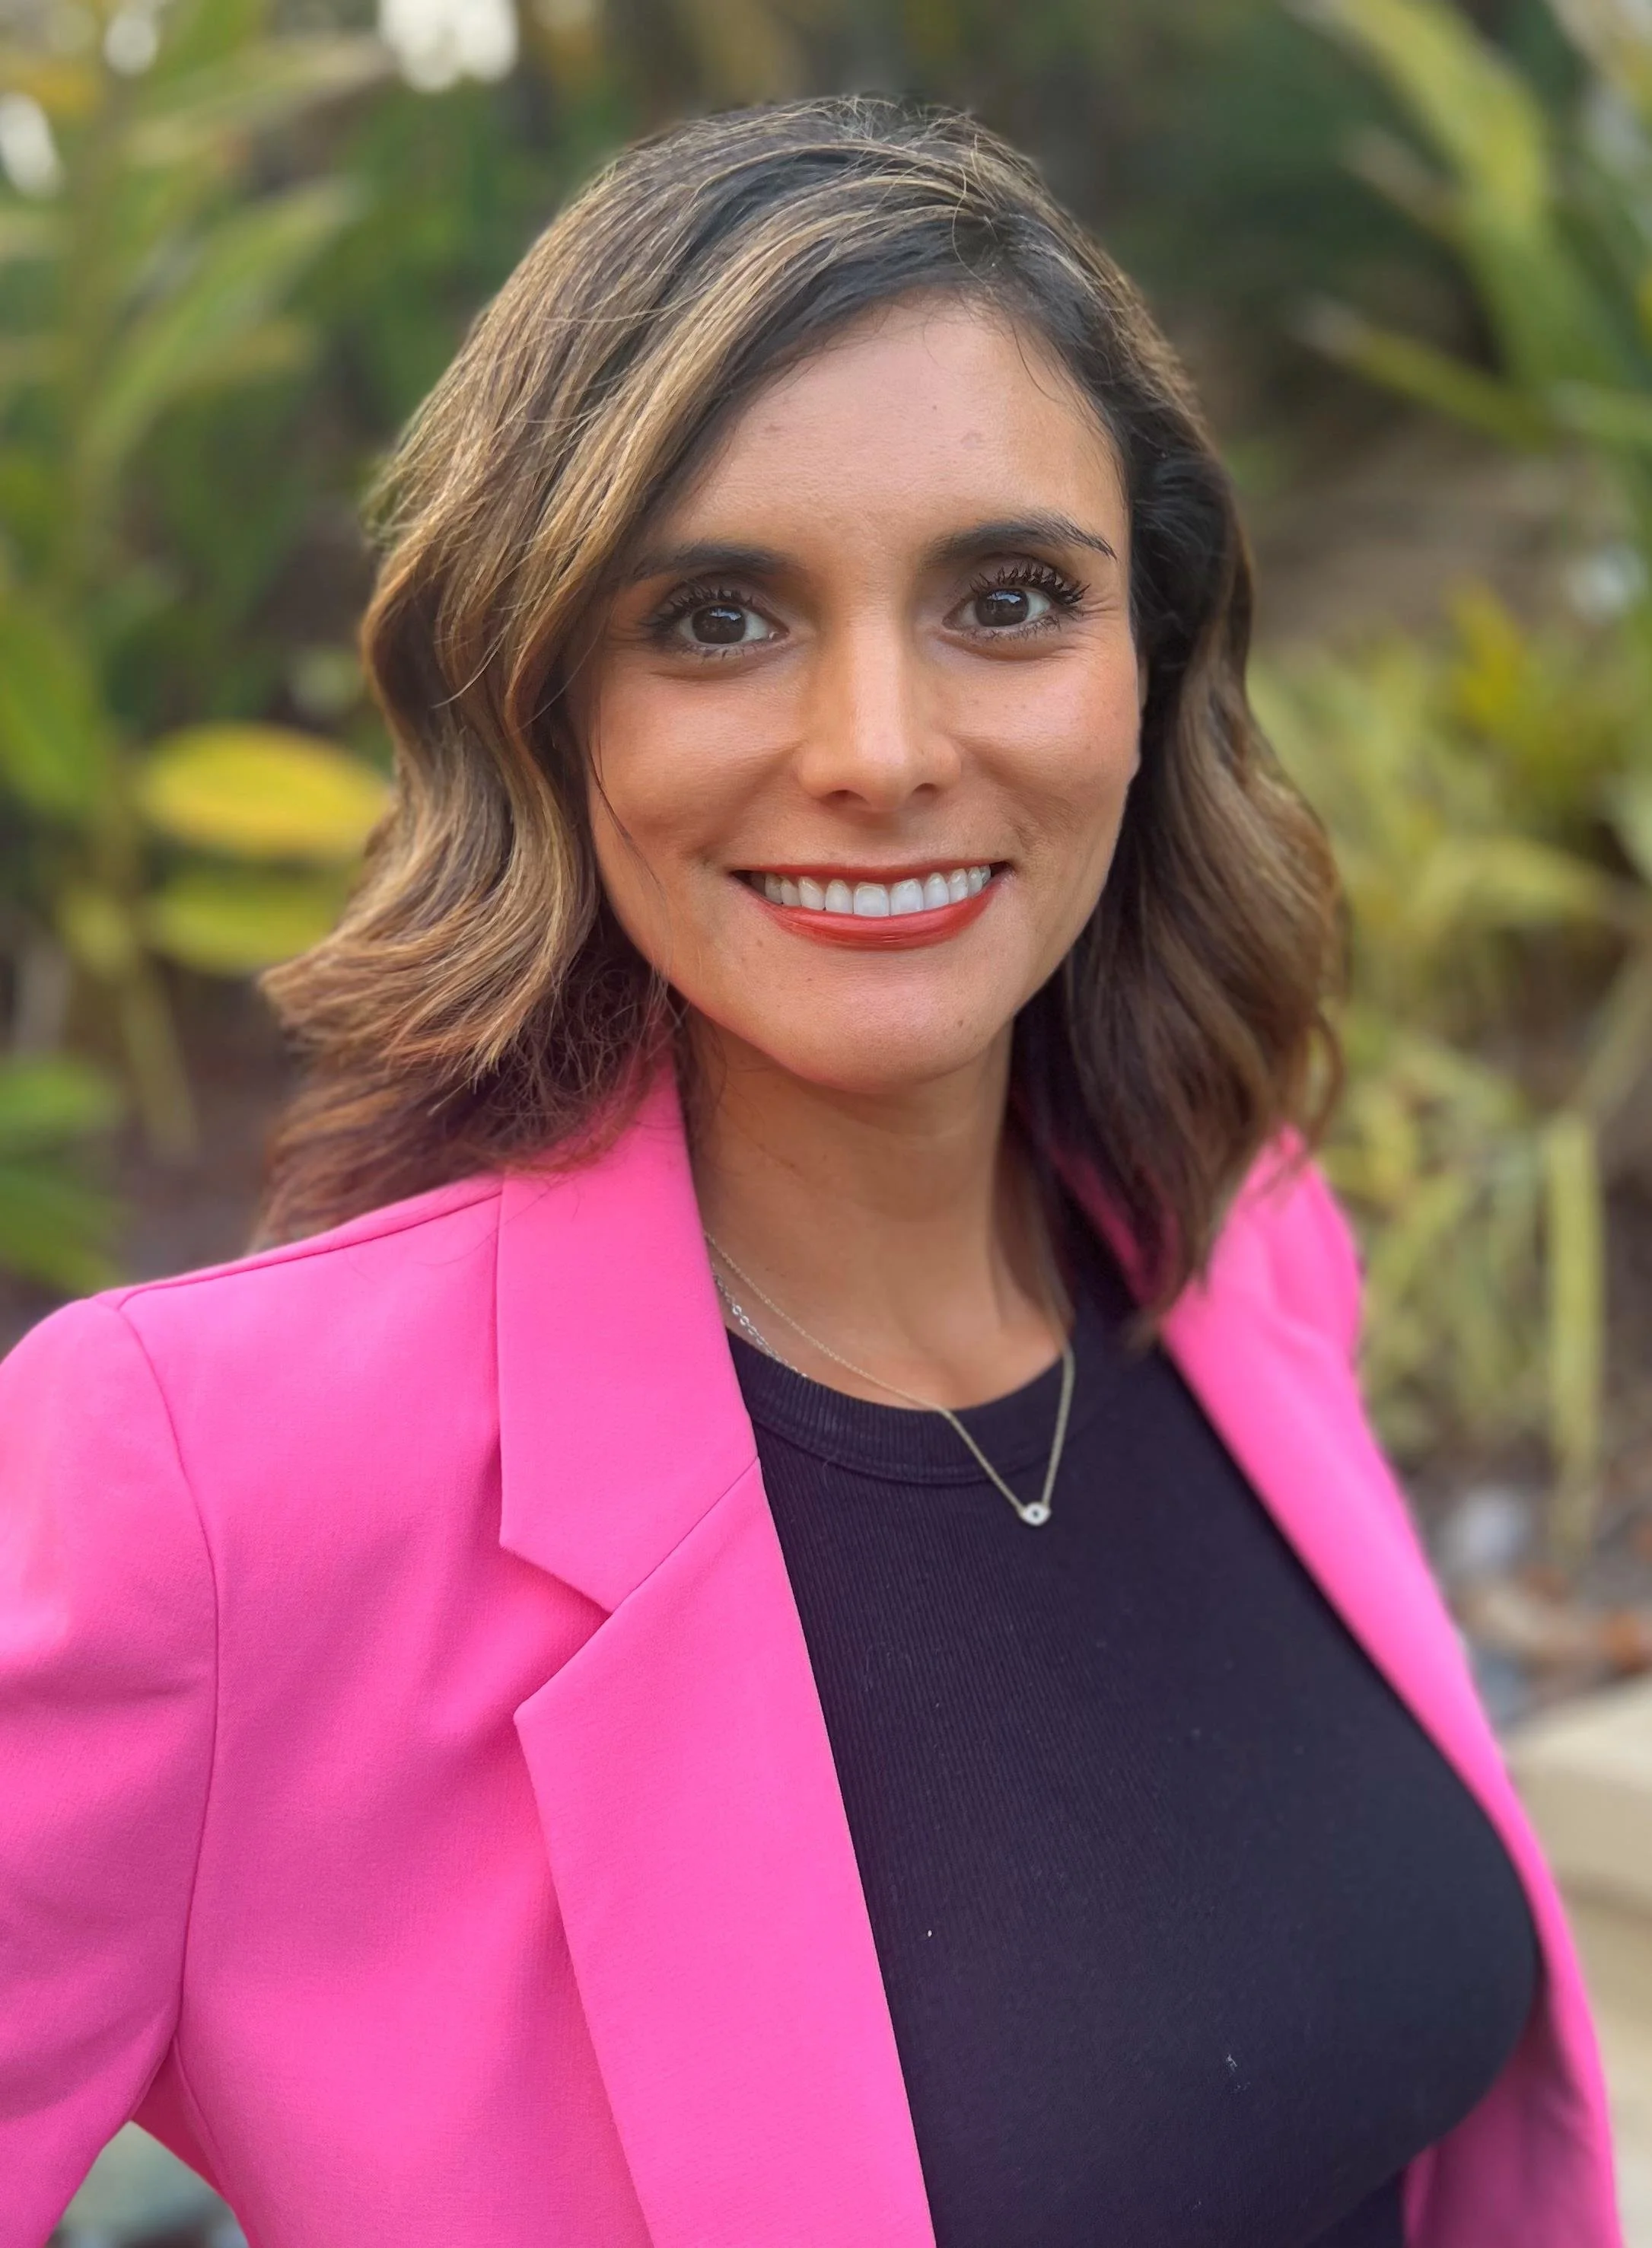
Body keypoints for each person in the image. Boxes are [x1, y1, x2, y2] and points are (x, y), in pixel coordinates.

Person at [0, 96, 1619, 2248]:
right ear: (547, 701)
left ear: (1154, 660)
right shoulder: (217, 1487)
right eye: (717, 621)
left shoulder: (1244, 1237)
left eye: (1011, 598)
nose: (878, 745)